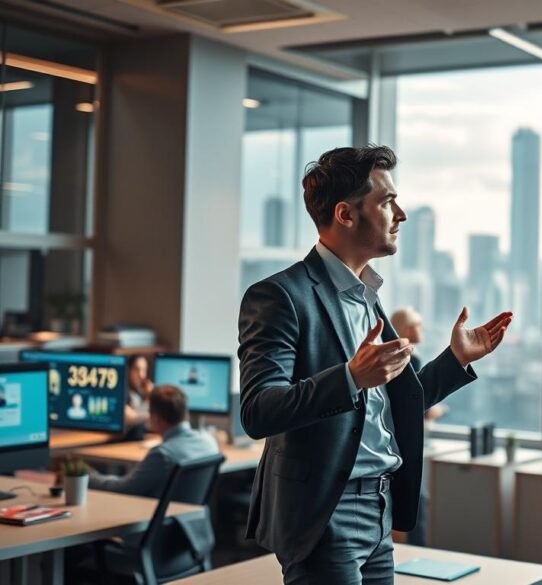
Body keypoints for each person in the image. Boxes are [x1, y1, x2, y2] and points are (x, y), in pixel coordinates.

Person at [238, 145, 512, 584]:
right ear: (346, 214)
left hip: (379, 507)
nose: (399, 214)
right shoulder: (279, 297)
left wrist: (457, 359)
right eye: (387, 202)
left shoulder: (368, 297)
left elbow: (393, 399)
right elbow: (258, 410)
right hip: (325, 511)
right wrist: (349, 378)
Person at [90, 385, 219, 497]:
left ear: (156, 418)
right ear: (186, 414)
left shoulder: (163, 455)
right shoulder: (209, 442)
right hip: (193, 522)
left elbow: (125, 489)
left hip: (161, 522)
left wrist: (89, 478)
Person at [389, 306, 446, 547]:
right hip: (402, 449)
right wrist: (435, 411)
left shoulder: (389, 357)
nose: (422, 329)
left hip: (394, 447)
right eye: (418, 324)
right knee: (416, 509)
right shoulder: (410, 358)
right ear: (406, 329)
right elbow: (414, 406)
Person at [124, 354, 154, 438]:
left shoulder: (140, 391)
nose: (141, 375)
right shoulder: (123, 391)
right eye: (136, 370)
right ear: (128, 370)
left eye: (144, 370)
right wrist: (149, 399)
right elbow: (131, 417)